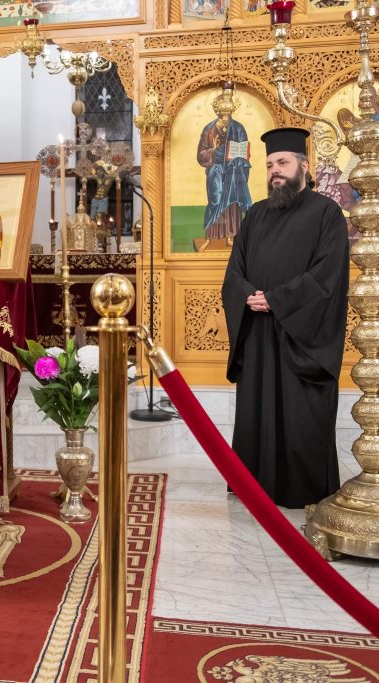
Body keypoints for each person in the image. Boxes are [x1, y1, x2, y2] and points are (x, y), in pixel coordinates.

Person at [222, 127, 349, 509]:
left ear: (303, 166)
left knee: (301, 416)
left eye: (283, 163)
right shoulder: (255, 214)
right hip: (259, 334)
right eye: (270, 165)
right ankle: (253, 487)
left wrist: (277, 300)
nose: (275, 171)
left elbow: (327, 276)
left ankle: (302, 490)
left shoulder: (327, 214)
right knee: (256, 413)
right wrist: (248, 296)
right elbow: (234, 272)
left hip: (301, 339)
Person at [197, 83, 252, 240]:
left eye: (228, 117)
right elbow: (201, 155)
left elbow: (243, 150)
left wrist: (237, 157)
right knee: (216, 197)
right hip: (215, 170)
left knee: (232, 202)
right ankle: (213, 236)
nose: (225, 120)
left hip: (234, 171)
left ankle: (233, 235)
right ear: (217, 110)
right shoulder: (209, 129)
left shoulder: (239, 128)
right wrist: (214, 152)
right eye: (223, 117)